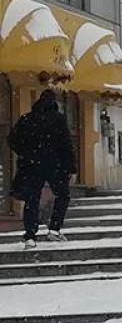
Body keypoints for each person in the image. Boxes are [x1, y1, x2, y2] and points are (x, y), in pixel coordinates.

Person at [8, 90, 76, 249]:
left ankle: (30, 235)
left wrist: (25, 153)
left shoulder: (26, 119)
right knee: (63, 195)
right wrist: (71, 168)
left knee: (32, 199)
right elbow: (66, 146)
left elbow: (12, 140)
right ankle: (54, 228)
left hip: (31, 165)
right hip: (54, 165)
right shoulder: (58, 120)